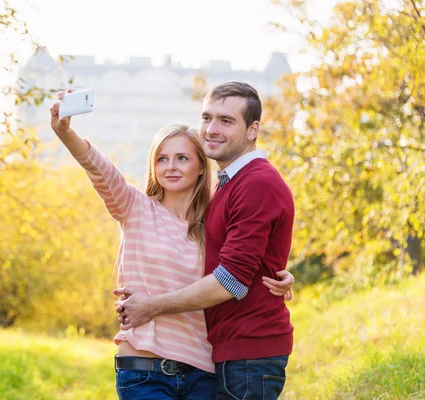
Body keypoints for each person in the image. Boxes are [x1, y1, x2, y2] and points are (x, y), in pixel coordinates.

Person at [50, 89, 293, 400]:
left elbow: (237, 270)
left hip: (201, 369)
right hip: (142, 369)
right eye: (162, 159)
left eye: (182, 158)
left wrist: (277, 274)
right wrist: (65, 131)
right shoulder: (134, 207)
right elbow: (97, 167)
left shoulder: (212, 222)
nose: (171, 167)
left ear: (201, 166)